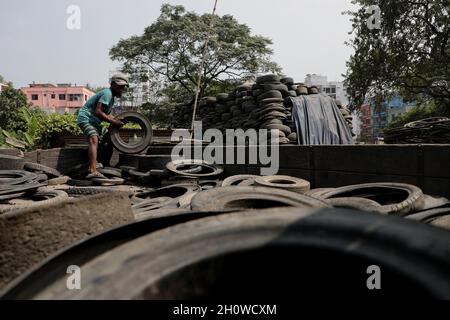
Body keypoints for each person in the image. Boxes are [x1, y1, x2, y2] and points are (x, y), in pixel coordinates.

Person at [77, 73, 128, 178]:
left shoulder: (111, 97)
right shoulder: (107, 93)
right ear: (113, 84)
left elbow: (106, 113)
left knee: (111, 138)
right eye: (119, 87)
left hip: (95, 122)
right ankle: (92, 169)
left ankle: (105, 165)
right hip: (86, 119)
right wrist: (114, 122)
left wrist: (115, 120)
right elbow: (98, 112)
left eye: (123, 88)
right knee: (93, 139)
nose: (121, 90)